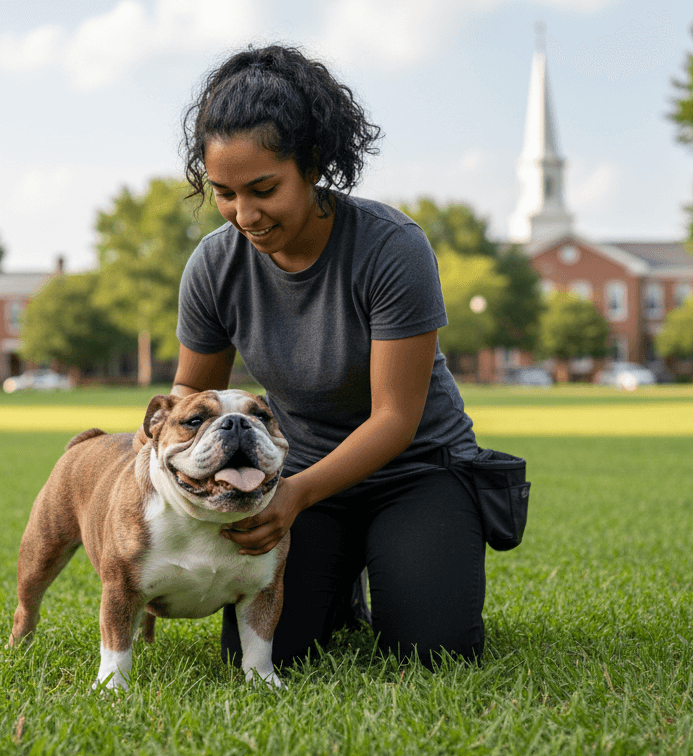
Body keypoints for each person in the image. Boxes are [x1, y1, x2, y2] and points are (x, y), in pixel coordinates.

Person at [171, 44, 488, 670]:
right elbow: (190, 399)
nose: (245, 215)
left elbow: (394, 419)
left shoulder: (392, 248)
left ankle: (396, 562)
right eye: (225, 194)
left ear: (313, 164)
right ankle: (337, 585)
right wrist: (161, 497)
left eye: (264, 189)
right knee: (265, 650)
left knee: (433, 651)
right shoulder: (214, 264)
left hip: (419, 471)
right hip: (298, 474)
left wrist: (296, 497)